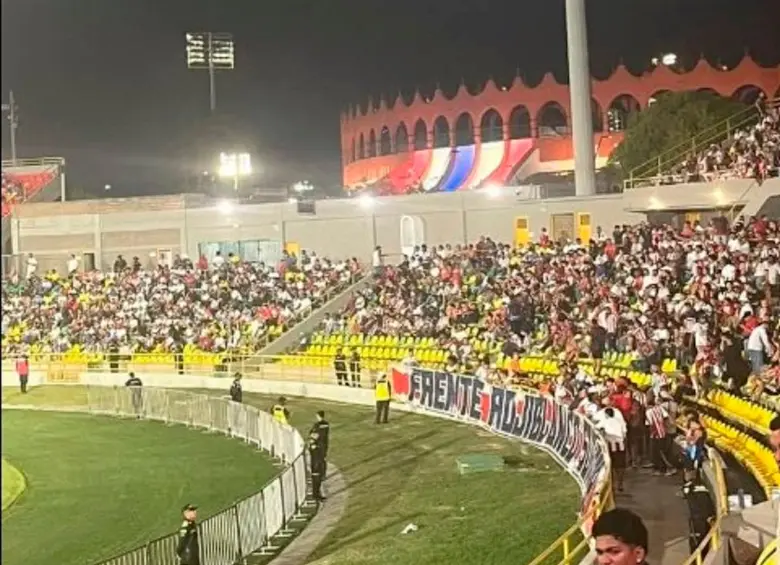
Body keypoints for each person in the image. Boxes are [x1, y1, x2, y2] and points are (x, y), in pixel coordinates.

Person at [308, 425, 327, 502]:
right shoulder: (313, 444)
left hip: (319, 463)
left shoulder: (318, 442)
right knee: (316, 480)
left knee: (319, 481)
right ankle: (316, 495)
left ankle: (317, 494)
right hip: (316, 465)